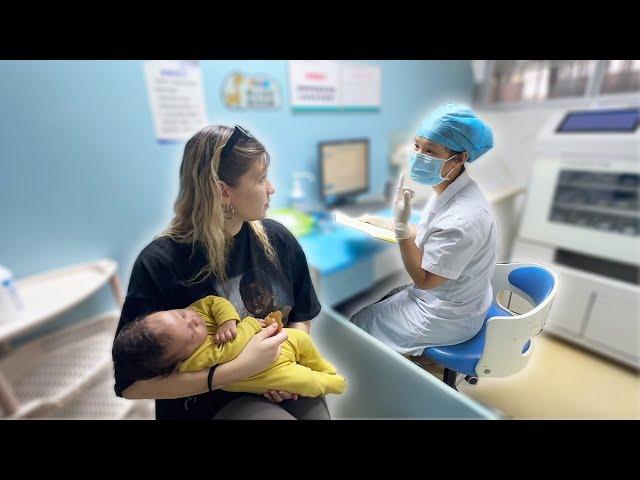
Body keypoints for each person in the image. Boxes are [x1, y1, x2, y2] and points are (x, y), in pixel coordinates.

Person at [113, 124, 327, 419]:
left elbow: (300, 317)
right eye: (261, 178)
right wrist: (237, 370)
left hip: (277, 373)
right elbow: (131, 386)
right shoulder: (160, 263)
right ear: (223, 191)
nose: (271, 188)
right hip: (209, 400)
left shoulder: (277, 240)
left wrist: (284, 362)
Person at [351, 103, 498, 357]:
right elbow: (430, 230)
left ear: (460, 158)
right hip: (460, 298)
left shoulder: (464, 219)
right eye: (417, 146)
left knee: (358, 323)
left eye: (431, 151)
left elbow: (425, 280)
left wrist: (400, 229)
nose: (419, 155)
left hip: (445, 315)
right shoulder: (451, 189)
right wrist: (383, 222)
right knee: (384, 299)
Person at [112, 295, 346, 397]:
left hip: (276, 340)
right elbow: (233, 348)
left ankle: (324, 366)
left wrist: (227, 320)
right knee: (303, 381)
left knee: (302, 340)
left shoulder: (195, 313)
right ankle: (334, 383)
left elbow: (214, 301)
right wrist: (249, 324)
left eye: (180, 314)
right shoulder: (196, 361)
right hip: (267, 372)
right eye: (191, 332)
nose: (193, 319)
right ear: (178, 360)